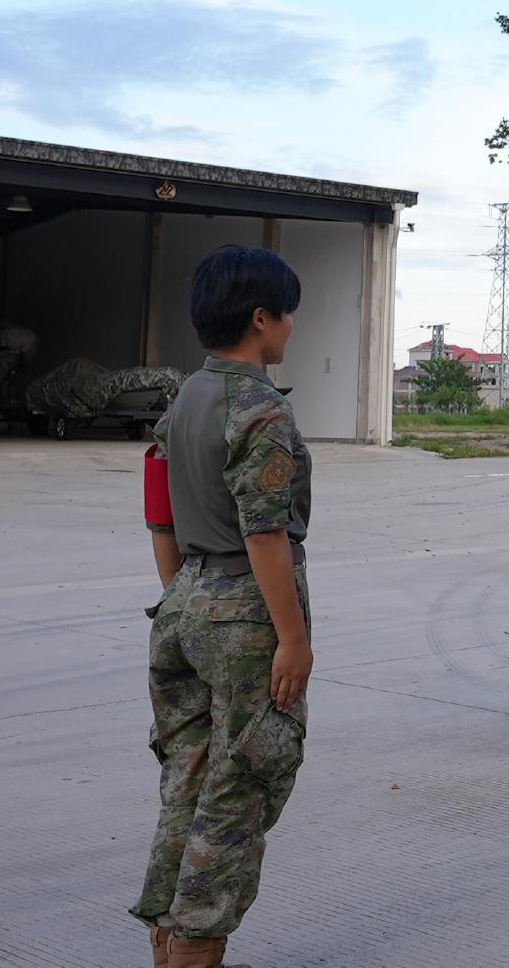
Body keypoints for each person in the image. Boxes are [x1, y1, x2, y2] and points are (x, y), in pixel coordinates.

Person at [130, 245, 313, 968]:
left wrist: (182, 593)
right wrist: (292, 637)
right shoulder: (258, 407)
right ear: (260, 317)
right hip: (246, 611)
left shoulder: (184, 399)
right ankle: (198, 946)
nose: (292, 326)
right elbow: (264, 529)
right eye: (287, 312)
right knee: (238, 792)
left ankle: (168, 940)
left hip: (184, 604)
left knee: (189, 781)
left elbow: (159, 516)